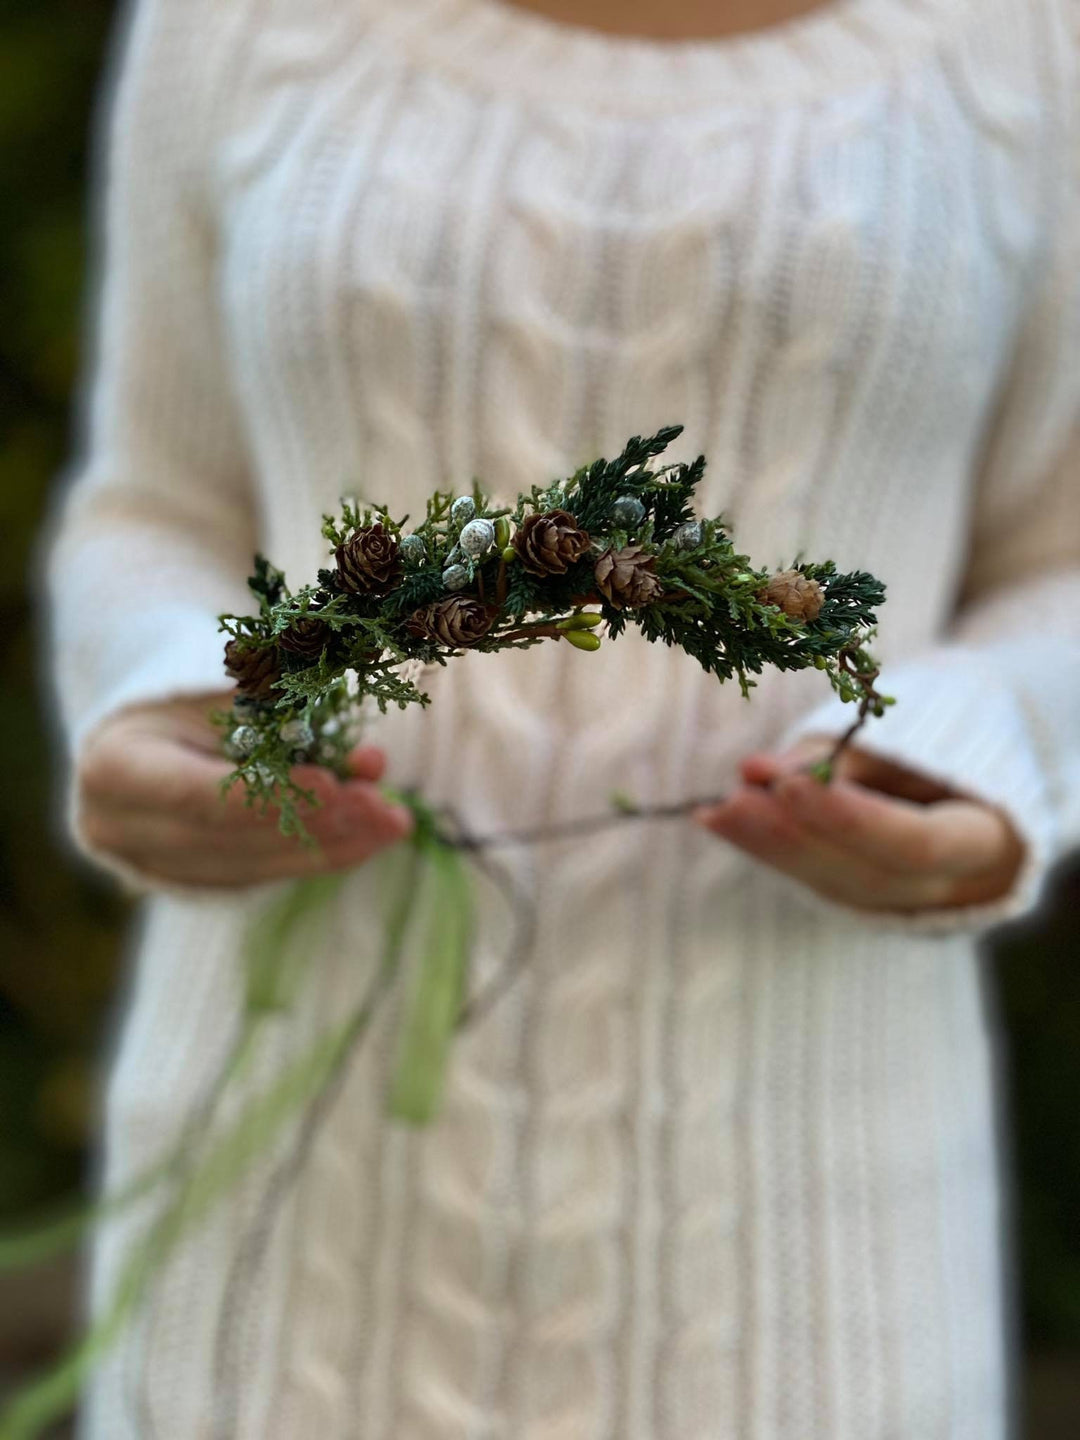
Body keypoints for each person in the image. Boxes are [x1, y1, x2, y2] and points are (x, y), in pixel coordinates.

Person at [45, 0, 1080, 1435]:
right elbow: (151, 505)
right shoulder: (235, 25)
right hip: (291, 1222)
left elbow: (1063, 559)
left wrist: (966, 753)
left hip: (804, 1245)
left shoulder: (1029, 46)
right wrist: (171, 691)